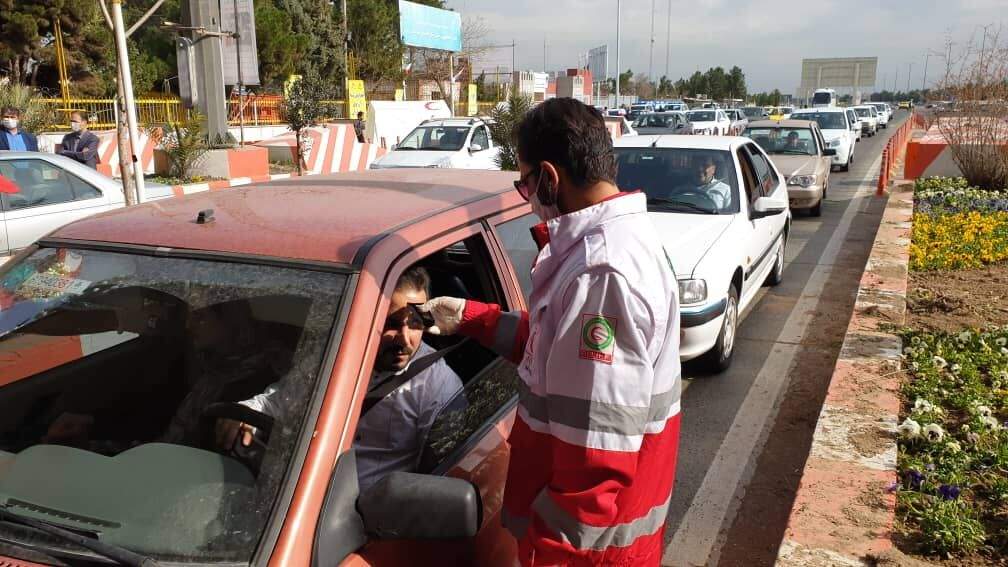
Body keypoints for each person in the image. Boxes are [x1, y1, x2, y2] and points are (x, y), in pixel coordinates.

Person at [421, 98, 681, 566]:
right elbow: (554, 353)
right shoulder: (609, 253)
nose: (529, 198)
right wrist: (469, 317)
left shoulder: (601, 275)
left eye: (524, 184)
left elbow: (593, 466)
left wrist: (548, 558)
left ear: (548, 176)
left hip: (587, 555)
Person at [222, 266, 463, 489]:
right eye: (391, 323)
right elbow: (278, 401)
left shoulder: (438, 386)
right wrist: (243, 416)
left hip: (364, 520)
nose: (404, 338)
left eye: (416, 323)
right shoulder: (334, 355)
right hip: (295, 495)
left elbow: (435, 480)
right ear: (368, 317)